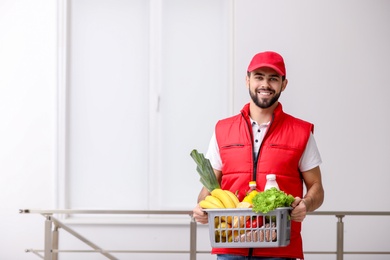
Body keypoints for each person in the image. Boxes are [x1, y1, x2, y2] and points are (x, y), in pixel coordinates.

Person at [192, 51, 325, 260]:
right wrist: (202, 206)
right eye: (259, 77)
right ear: (247, 80)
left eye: (273, 78)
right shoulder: (223, 129)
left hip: (279, 249)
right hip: (230, 246)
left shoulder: (301, 132)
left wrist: (306, 204)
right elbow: (209, 187)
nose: (265, 84)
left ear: (284, 84)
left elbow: (317, 187)